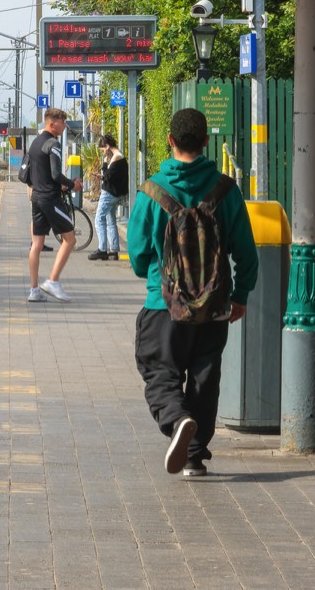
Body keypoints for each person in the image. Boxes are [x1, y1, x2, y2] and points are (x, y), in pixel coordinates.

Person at [127, 108, 258, 478]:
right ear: (205, 142)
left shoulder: (152, 191)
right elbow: (246, 252)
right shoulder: (225, 190)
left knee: (159, 371)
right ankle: (195, 457)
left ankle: (176, 419)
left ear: (170, 141)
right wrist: (241, 295)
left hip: (164, 304)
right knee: (204, 376)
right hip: (214, 308)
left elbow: (138, 257)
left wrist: (154, 275)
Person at [27, 108, 83, 302]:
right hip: (51, 199)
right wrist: (72, 184)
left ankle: (34, 290)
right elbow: (56, 174)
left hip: (36, 198)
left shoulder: (34, 144)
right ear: (52, 124)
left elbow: (24, 174)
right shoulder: (54, 144)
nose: (65, 125)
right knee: (70, 240)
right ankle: (53, 281)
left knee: (36, 245)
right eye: (63, 122)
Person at [88, 134, 128, 261]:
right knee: (111, 220)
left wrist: (104, 164)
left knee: (99, 219)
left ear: (107, 146)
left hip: (109, 193)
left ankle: (102, 249)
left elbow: (107, 176)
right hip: (116, 193)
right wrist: (103, 175)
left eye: (103, 149)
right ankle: (114, 249)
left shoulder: (116, 158)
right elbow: (110, 176)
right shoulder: (121, 156)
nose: (104, 153)